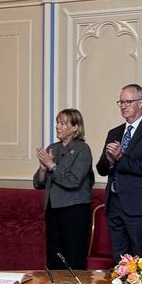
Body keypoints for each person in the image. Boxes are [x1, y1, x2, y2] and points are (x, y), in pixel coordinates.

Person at [96, 84, 142, 261]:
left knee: (140, 262)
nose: (124, 106)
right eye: (121, 102)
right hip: (114, 205)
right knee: (119, 261)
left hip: (139, 207)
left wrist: (120, 158)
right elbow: (101, 168)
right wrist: (110, 162)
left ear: (140, 103)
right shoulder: (115, 132)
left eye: (128, 102)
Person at [35, 108, 95, 271]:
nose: (58, 127)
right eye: (57, 123)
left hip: (74, 209)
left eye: (63, 123)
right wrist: (42, 169)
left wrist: (52, 166)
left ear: (75, 127)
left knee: (73, 256)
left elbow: (73, 181)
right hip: (53, 208)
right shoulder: (52, 148)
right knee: (54, 255)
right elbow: (38, 183)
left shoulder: (83, 149)